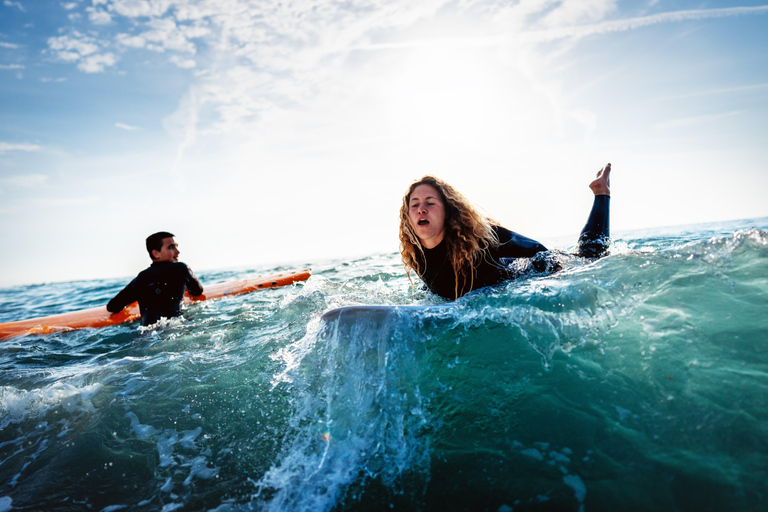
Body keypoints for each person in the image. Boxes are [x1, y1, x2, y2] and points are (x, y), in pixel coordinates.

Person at [399, 164, 612, 300]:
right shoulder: (415, 255)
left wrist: (563, 280)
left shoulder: (479, 238)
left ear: (448, 211)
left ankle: (601, 193)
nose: (421, 209)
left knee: (590, 257)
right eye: (414, 204)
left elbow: (538, 250)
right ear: (408, 216)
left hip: (525, 273)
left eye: (430, 202)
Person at [107, 231, 204, 326]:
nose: (177, 251)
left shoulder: (141, 277)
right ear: (156, 253)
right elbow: (197, 291)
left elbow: (113, 306)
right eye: (171, 247)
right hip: (174, 328)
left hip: (145, 335)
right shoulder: (180, 268)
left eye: (176, 247)